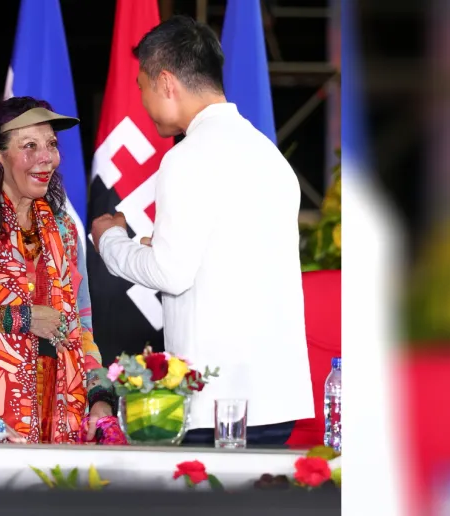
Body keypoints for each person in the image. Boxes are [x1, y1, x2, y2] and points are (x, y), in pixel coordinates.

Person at [91, 16, 314, 445]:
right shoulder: (270, 156)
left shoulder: (187, 157)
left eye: (142, 86)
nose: (142, 101)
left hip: (218, 403)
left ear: (166, 82)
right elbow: (227, 255)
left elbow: (170, 273)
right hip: (277, 399)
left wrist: (110, 241)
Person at [0, 97, 116, 444]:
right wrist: (20, 318)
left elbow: (82, 329)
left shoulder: (64, 229)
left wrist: (100, 397)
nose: (47, 157)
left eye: (51, 144)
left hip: (59, 413)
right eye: (29, 146)